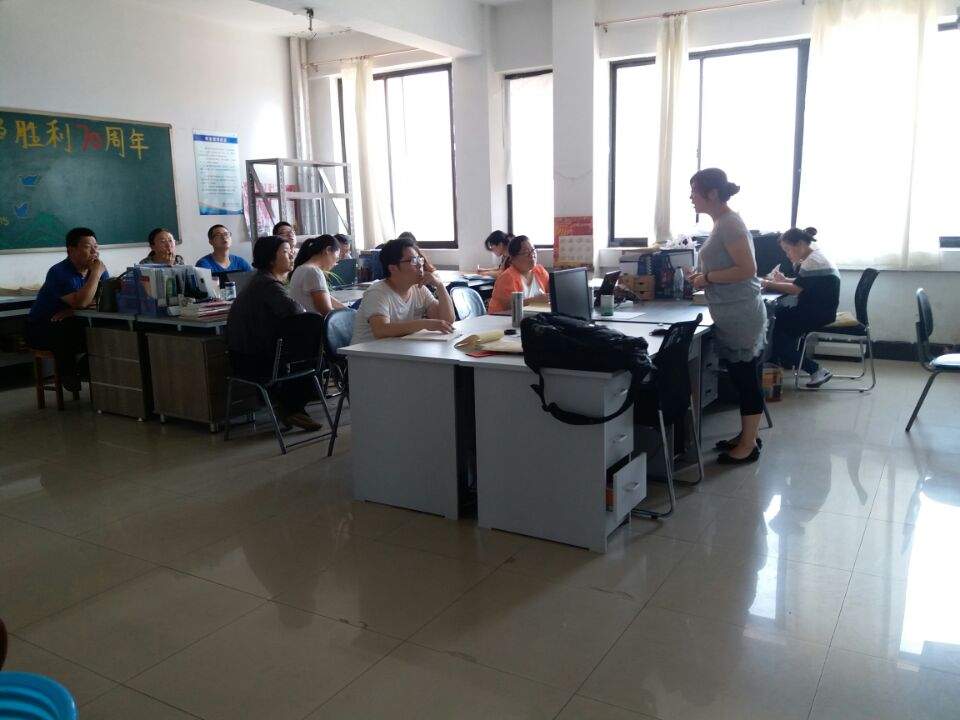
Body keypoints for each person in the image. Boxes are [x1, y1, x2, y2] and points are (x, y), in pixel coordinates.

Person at [688, 168, 766, 465]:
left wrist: (707, 278)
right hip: (732, 312)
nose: (691, 198)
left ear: (712, 193)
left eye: (694, 191)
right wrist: (704, 277)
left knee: (745, 379)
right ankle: (747, 435)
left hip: (740, 314)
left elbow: (746, 269)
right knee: (743, 376)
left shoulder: (730, 223)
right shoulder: (722, 223)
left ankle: (748, 445)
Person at [226, 235, 322, 432]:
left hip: (254, 355)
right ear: (271, 259)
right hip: (252, 360)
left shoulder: (263, 280)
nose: (292, 255)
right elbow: (295, 310)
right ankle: (291, 408)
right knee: (319, 355)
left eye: (291, 251)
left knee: (310, 352)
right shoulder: (267, 284)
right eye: (285, 252)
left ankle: (289, 407)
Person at [25, 227, 109, 391]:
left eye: (96, 247)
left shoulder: (97, 269)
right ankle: (69, 373)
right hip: (41, 327)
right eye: (87, 247)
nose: (94, 252)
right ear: (71, 251)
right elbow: (81, 302)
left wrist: (73, 310)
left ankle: (84, 369)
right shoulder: (59, 272)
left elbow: (105, 298)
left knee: (103, 331)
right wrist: (95, 275)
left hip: (72, 321)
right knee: (65, 330)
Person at [762, 227, 839, 388]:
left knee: (775, 330)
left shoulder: (813, 261)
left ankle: (815, 370)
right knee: (778, 319)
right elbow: (804, 282)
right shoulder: (816, 256)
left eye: (788, 250)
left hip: (816, 313)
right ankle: (774, 369)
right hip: (819, 310)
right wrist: (784, 280)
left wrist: (766, 283)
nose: (787, 254)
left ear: (800, 244)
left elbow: (796, 289)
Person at [351, 236, 455, 344]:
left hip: (397, 349)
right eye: (413, 261)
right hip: (366, 353)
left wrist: (440, 286)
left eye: (419, 259)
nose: (420, 265)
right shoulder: (377, 292)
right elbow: (381, 330)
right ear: (393, 268)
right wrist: (425, 324)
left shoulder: (419, 289)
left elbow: (446, 320)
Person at [488, 235, 550, 314]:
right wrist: (535, 300)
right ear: (513, 258)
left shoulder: (540, 271)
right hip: (503, 318)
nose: (532, 255)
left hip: (532, 316)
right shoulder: (507, 277)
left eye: (533, 250)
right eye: (526, 253)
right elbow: (508, 306)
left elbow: (551, 294)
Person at [288, 235, 348, 317]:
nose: (335, 264)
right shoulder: (313, 271)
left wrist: (348, 310)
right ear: (328, 250)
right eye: (337, 258)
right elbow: (327, 312)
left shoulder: (301, 268)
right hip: (314, 323)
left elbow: (327, 298)